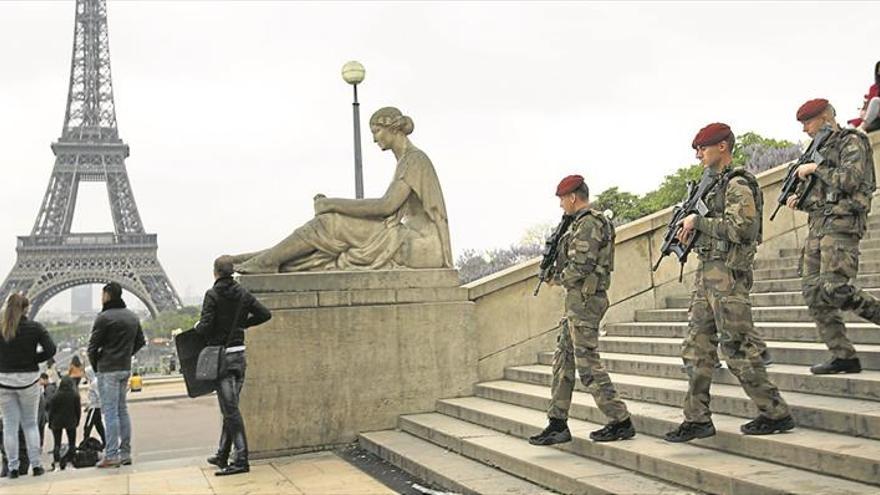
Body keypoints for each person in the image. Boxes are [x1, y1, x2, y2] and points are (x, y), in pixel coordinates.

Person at [664, 123, 795, 442]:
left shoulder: (737, 184)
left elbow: (742, 230)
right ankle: (697, 419)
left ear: (722, 147)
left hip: (728, 276)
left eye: (703, 148)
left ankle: (775, 412)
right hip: (708, 275)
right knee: (696, 348)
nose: (698, 155)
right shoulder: (711, 186)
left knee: (737, 347)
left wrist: (700, 222)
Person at [232, 107, 453, 274]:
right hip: (407, 238)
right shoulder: (407, 160)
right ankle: (269, 258)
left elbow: (387, 206)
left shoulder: (415, 160)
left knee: (330, 222)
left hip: (420, 246)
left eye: (377, 131)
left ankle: (270, 260)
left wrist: (331, 204)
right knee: (330, 237)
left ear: (393, 129)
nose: (374, 138)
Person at [528, 175, 635, 445]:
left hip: (586, 302)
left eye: (563, 199)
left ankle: (620, 420)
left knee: (588, 365)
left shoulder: (589, 223)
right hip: (577, 302)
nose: (561, 205)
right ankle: (557, 423)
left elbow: (581, 267)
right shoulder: (575, 224)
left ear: (573, 197)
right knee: (563, 361)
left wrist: (556, 278)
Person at [785, 99, 879, 374]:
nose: (805, 129)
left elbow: (850, 180)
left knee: (835, 288)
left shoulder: (851, 141)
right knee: (813, 292)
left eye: (808, 122)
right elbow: (821, 198)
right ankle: (843, 355)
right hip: (819, 226)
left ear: (826, 118)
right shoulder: (819, 149)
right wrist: (799, 200)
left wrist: (816, 169)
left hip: (843, 224)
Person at [195, 256, 272, 476]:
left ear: (216, 272)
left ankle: (241, 459)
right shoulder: (243, 293)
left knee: (230, 411)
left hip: (222, 359)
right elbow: (265, 314)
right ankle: (222, 453)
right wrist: (242, 324)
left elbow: (205, 327)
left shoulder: (212, 294)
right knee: (231, 408)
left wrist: (198, 326)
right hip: (239, 357)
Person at [87, 282, 145, 468]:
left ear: (107, 295)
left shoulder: (103, 318)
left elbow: (92, 348)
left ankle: (111, 454)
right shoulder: (132, 317)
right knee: (122, 410)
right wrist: (126, 355)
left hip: (108, 369)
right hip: (124, 367)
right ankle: (125, 452)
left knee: (110, 412)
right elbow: (140, 341)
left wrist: (98, 365)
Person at [0, 293, 55, 478]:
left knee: (10, 426)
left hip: (4, 381)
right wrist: (34, 359)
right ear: (26, 309)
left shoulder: (2, 328)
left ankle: (13, 468)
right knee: (30, 424)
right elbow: (51, 349)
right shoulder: (35, 327)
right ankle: (36, 465)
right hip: (29, 381)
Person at [47, 376, 80, 470]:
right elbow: (78, 410)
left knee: (57, 443)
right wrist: (77, 420)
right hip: (71, 421)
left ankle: (57, 463)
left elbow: (51, 411)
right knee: (72, 443)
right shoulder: (75, 395)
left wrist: (50, 422)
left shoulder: (55, 396)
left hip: (56, 422)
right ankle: (70, 462)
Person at [847, 61, 880, 133]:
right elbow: (869, 103)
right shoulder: (873, 88)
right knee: (851, 126)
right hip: (872, 114)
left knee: (876, 100)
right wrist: (863, 111)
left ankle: (863, 126)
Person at [82, 364, 105, 448]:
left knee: (87, 426)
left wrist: (95, 405)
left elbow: (99, 396)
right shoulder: (94, 382)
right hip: (95, 407)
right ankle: (105, 441)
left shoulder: (94, 383)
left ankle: (85, 443)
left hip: (94, 408)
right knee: (99, 426)